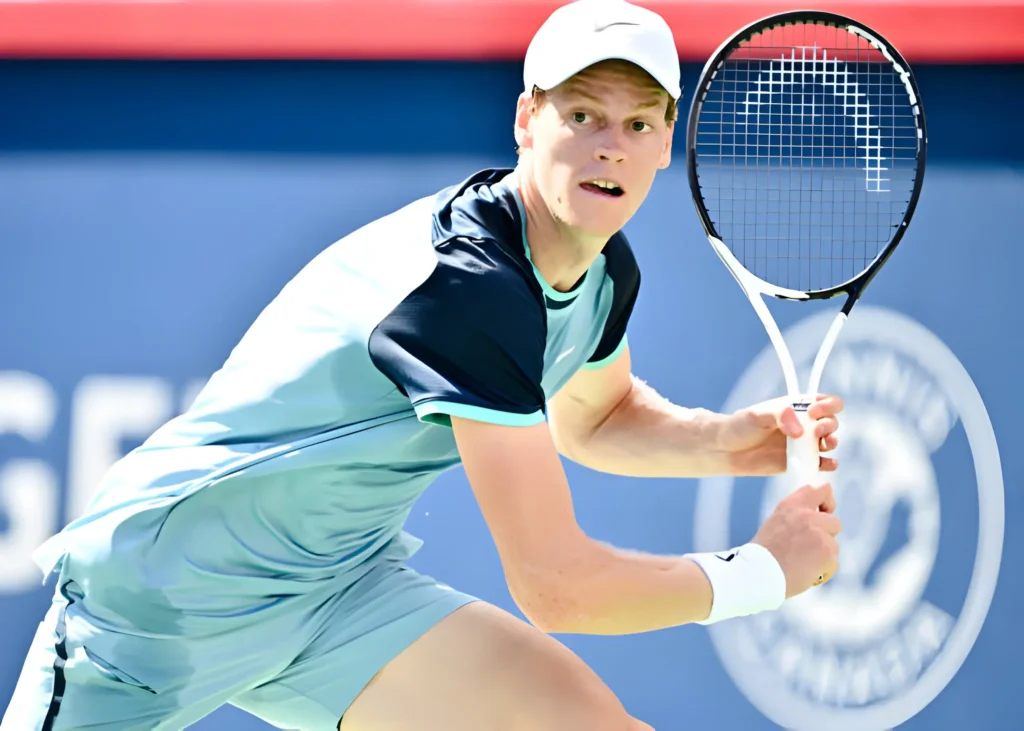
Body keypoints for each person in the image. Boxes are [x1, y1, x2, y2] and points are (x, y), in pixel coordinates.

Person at [2, 1, 844, 729]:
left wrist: (735, 442)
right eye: (581, 115)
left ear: (665, 143)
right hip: (166, 598)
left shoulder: (600, 270)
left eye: (636, 124)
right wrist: (761, 572)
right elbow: (556, 587)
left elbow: (596, 417)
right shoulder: (468, 286)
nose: (608, 147)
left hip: (334, 596)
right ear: (527, 121)